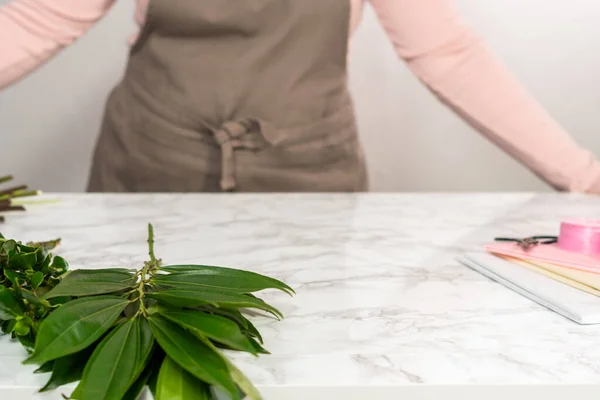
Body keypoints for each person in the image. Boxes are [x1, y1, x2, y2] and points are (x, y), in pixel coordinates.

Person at [1, 0, 600, 193]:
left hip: (310, 176)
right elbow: (35, 21)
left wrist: (581, 175)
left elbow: (445, 53)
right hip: (149, 166)